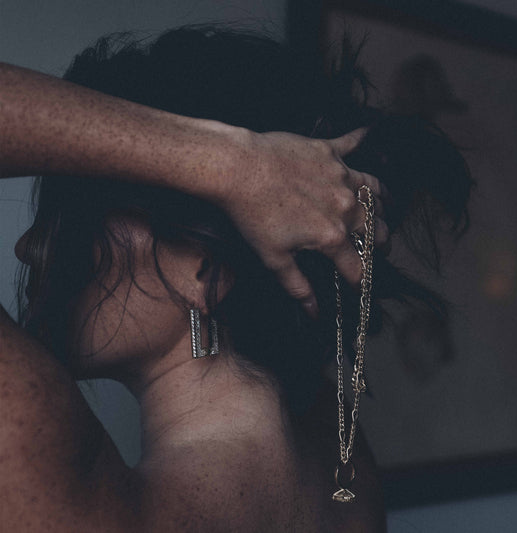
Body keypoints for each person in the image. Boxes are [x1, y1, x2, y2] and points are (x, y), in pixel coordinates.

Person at [0, 27, 471, 532]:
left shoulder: (55, 476)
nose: (26, 247)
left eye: (73, 214)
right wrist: (247, 171)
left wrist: (232, 165)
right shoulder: (346, 471)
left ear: (203, 270)